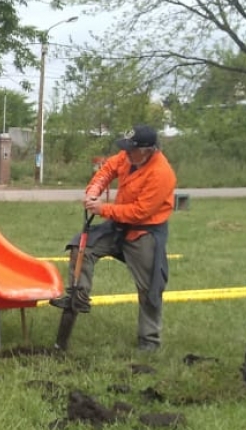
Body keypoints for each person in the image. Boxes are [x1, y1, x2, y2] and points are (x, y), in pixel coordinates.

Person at [50, 124, 178, 351]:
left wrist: (103, 209)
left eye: (131, 150)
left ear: (148, 150)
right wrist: (94, 189)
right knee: (82, 247)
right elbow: (108, 169)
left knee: (151, 288)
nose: (126, 153)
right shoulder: (128, 157)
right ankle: (78, 296)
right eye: (125, 149)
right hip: (118, 224)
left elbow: (140, 212)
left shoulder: (162, 174)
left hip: (144, 231)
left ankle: (149, 341)